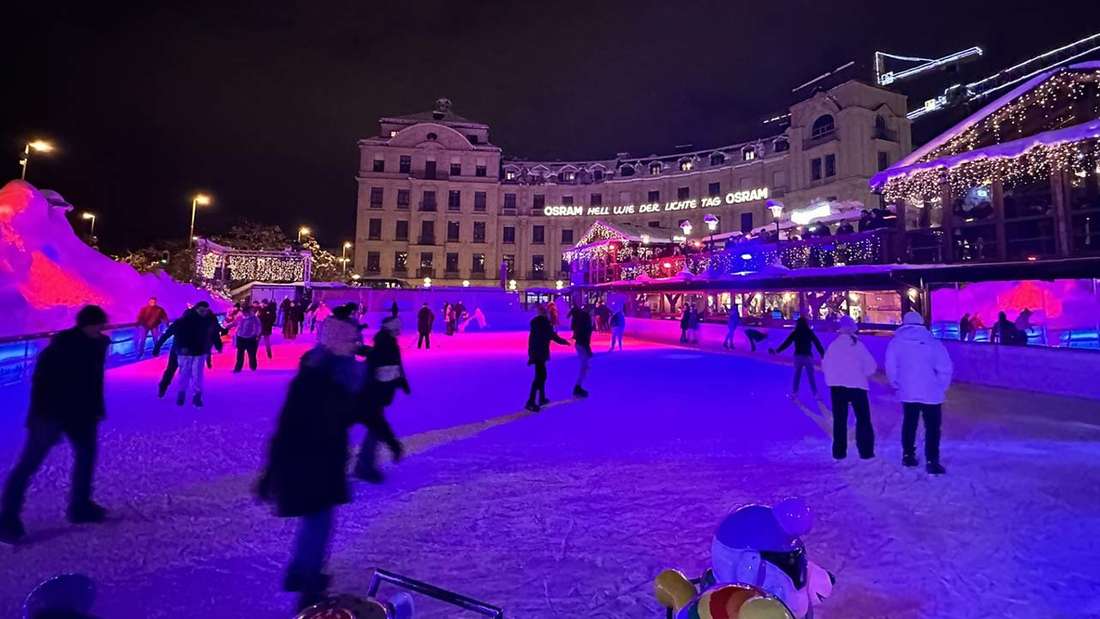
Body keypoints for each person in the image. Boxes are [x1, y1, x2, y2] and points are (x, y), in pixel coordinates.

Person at [256, 316, 361, 610]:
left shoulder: (323, 372)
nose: (357, 346)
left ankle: (298, 573)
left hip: (314, 460)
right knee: (320, 523)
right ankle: (309, 586)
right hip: (314, 462)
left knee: (315, 521)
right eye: (352, 341)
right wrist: (272, 471)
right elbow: (299, 423)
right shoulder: (325, 379)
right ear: (338, 344)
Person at [1, 305, 111, 544]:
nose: (102, 329)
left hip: (82, 415)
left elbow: (93, 382)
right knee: (29, 464)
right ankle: (7, 519)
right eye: (98, 325)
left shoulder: (99, 345)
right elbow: (41, 383)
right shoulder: (61, 347)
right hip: (51, 414)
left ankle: (80, 506)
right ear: (86, 325)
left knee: (86, 457)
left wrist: (96, 408)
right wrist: (40, 416)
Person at [886, 311, 954, 475]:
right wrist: (940, 387)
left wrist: (896, 384)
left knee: (909, 424)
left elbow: (891, 367)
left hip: (908, 392)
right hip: (931, 393)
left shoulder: (896, 343)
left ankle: (908, 456)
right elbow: (945, 368)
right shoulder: (933, 343)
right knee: (932, 428)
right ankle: (932, 461)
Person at [354, 316, 409, 483]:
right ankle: (364, 465)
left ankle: (364, 464)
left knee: (375, 427)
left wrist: (401, 381)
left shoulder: (384, 342)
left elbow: (388, 364)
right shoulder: (388, 344)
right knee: (376, 426)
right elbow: (388, 366)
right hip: (374, 394)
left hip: (373, 393)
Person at [822, 317, 878, 460]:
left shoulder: (833, 346)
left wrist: (833, 379)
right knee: (863, 419)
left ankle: (839, 452)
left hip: (837, 388)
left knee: (839, 421)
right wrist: (861, 374)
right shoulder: (858, 346)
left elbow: (825, 366)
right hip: (857, 386)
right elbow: (871, 367)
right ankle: (866, 451)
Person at [173, 301, 217, 407]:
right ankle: (183, 393)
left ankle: (195, 395)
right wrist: (181, 347)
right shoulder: (186, 319)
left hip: (197, 351)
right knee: (187, 374)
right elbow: (178, 334)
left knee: (195, 375)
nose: (204, 313)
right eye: (202, 311)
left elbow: (209, 335)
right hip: (187, 352)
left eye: (205, 311)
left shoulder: (206, 320)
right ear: (197, 309)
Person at [526, 304, 570, 412]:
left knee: (541, 376)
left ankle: (541, 398)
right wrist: (564, 341)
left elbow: (533, 340)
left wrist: (531, 354)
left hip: (536, 352)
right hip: (540, 353)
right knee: (540, 377)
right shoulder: (544, 323)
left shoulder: (536, 323)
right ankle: (531, 401)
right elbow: (552, 336)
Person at [771, 317, 825, 399]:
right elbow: (817, 343)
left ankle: (794, 393)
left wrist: (778, 350)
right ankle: (815, 394)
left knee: (797, 375)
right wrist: (822, 354)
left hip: (798, 356)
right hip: (807, 356)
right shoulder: (809, 332)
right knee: (811, 376)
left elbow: (787, 343)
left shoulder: (795, 332)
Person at [569, 304, 593, 398]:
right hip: (581, 344)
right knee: (584, 367)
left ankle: (578, 387)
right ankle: (577, 387)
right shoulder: (585, 319)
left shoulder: (583, 318)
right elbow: (584, 334)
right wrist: (587, 348)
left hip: (581, 344)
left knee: (585, 367)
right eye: (592, 310)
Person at [233, 304, 262, 372]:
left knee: (252, 355)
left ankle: (253, 367)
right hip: (241, 338)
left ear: (248, 311)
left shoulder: (254, 318)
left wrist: (255, 335)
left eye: (245, 312)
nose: (243, 313)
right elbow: (236, 323)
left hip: (250, 339)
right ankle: (238, 368)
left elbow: (258, 328)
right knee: (240, 355)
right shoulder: (240, 317)